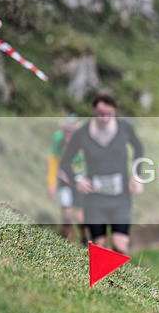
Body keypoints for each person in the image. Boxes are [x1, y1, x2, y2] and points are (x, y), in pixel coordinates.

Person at [60, 92, 144, 255]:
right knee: (99, 248)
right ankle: (102, 280)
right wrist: (77, 180)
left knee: (120, 246)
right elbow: (65, 161)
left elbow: (138, 149)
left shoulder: (125, 127)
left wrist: (137, 175)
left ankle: (118, 280)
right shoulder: (82, 133)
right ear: (93, 111)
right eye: (100, 114)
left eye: (109, 114)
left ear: (114, 112)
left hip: (121, 198)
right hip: (94, 200)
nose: (104, 118)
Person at [46, 114, 89, 244]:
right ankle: (67, 241)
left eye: (72, 132)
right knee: (66, 212)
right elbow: (54, 161)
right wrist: (51, 184)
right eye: (67, 131)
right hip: (64, 179)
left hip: (79, 180)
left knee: (80, 214)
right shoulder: (58, 139)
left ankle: (85, 240)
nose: (68, 135)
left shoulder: (83, 140)